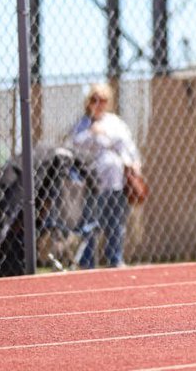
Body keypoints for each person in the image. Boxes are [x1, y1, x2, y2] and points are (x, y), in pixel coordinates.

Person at [66, 83, 140, 269]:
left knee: (116, 221)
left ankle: (115, 258)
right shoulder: (83, 124)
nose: (99, 104)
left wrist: (135, 163)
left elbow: (128, 146)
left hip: (117, 180)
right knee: (91, 221)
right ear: (88, 102)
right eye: (95, 100)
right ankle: (87, 261)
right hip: (93, 182)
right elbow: (72, 145)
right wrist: (91, 133)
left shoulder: (115, 122)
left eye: (103, 100)